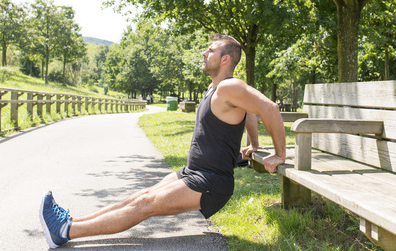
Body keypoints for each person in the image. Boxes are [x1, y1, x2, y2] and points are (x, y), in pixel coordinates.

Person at [40, 34, 286, 248]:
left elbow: (269, 108)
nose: (204, 52)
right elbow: (250, 112)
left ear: (225, 60)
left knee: (145, 205)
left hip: (210, 181)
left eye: (210, 50)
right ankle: (70, 222)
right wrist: (253, 144)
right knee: (139, 197)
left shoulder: (229, 86)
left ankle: (64, 232)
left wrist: (279, 155)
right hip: (194, 171)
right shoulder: (216, 88)